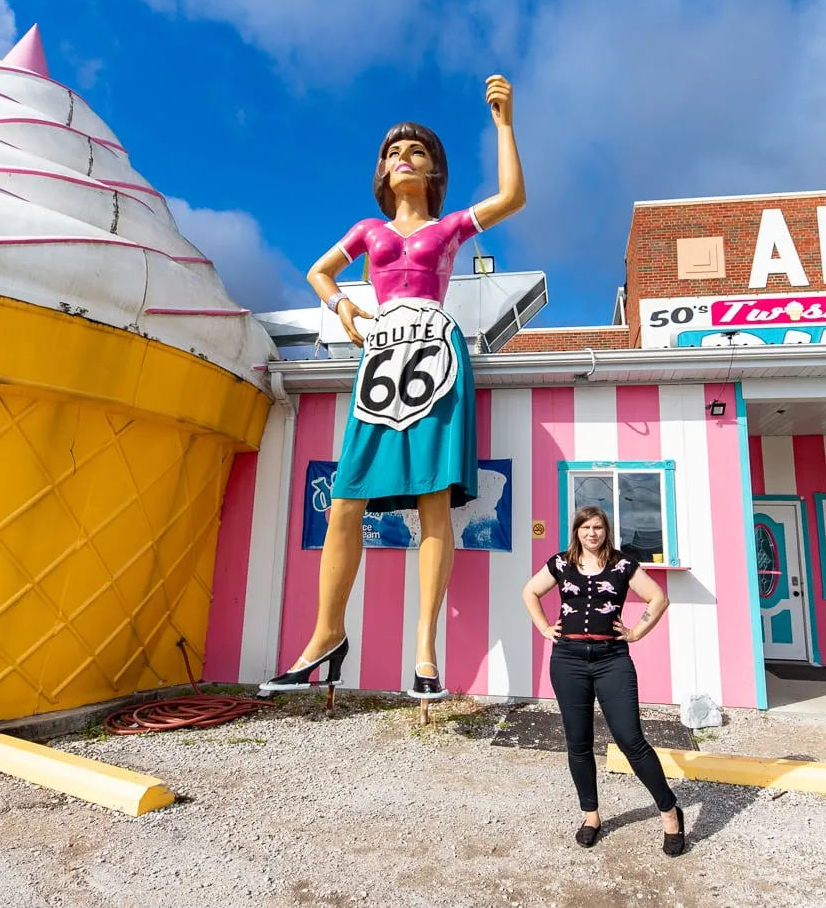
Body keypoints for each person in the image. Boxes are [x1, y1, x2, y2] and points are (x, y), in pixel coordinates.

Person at [261, 76, 526, 710]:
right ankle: (325, 638)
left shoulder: (451, 228)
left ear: (434, 169)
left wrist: (504, 123)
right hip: (381, 358)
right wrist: (345, 312)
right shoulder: (369, 232)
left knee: (434, 500)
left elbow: (512, 197)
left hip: (436, 350)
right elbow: (319, 271)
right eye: (392, 152)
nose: (402, 156)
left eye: (416, 150)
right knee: (346, 499)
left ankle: (426, 654)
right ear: (381, 172)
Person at [520, 506, 685, 856]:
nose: (592, 533)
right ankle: (591, 816)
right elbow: (529, 593)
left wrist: (636, 632)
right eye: (585, 527)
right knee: (578, 743)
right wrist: (545, 627)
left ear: (606, 531)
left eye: (598, 527)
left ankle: (669, 811)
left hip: (612, 661)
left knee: (631, 739)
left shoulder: (623, 565)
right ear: (577, 531)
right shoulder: (561, 563)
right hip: (568, 661)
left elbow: (659, 598)